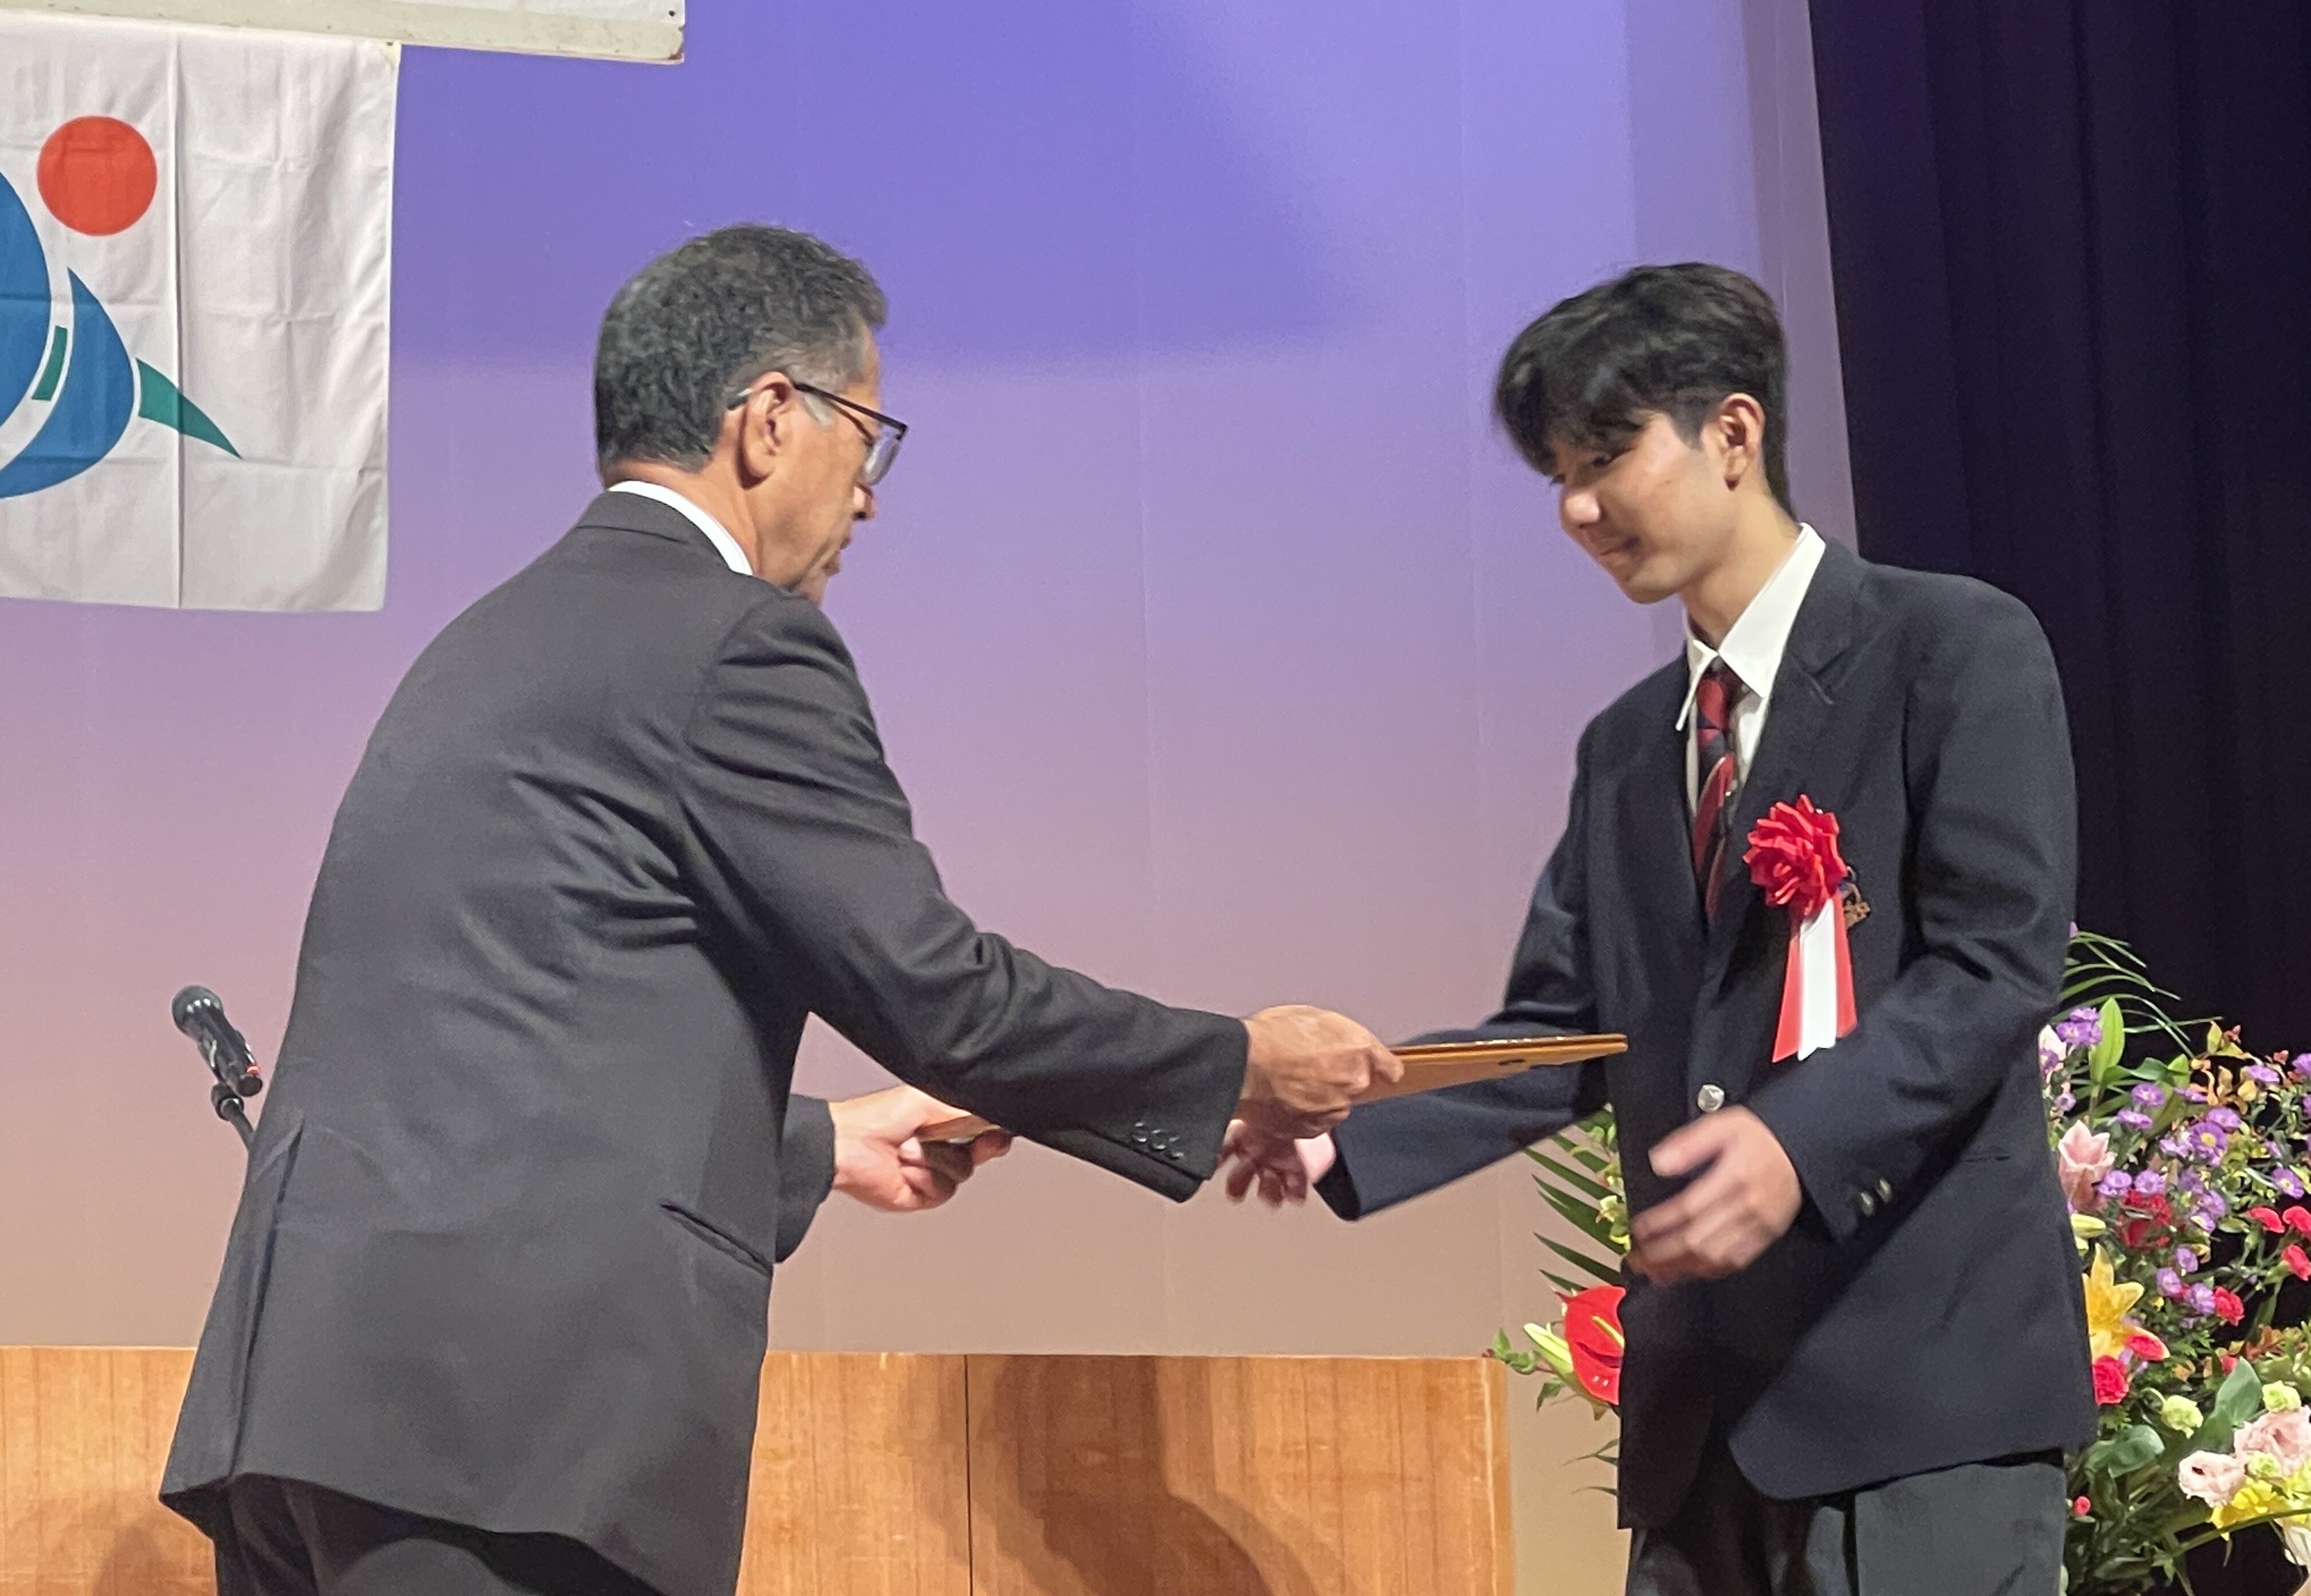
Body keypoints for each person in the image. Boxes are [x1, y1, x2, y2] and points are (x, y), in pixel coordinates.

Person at [161, 223, 1399, 1596]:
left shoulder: (493, 639)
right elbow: (942, 995)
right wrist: (1242, 1061)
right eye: (867, 436)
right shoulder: (735, 641)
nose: (867, 495)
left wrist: (820, 1146)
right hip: (504, 1434)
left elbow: (505, 1047)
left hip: (313, 1412)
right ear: (767, 419)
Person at [1223, 264, 2095, 1595]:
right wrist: (1351, 1124)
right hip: (1703, 1425)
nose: (1578, 507)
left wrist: (1794, 1142)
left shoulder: (1953, 647)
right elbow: (1568, 1031)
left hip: (1925, 1403)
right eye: (1558, 475)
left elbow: (1997, 965)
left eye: (1605, 456)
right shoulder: (1629, 747)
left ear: (1733, 433)